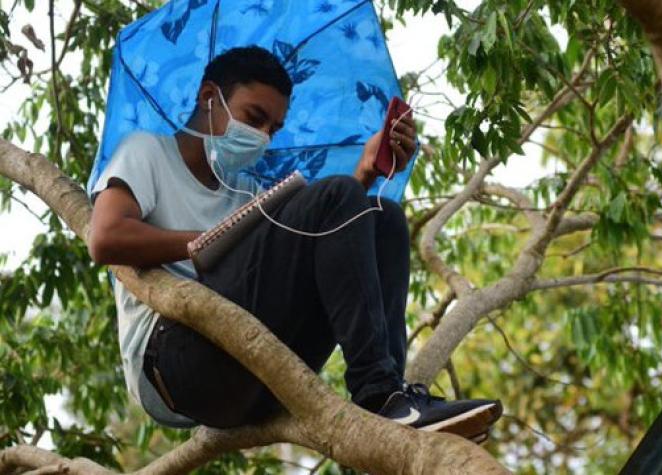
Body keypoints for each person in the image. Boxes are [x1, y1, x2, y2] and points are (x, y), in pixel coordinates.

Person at [87, 45, 502, 442]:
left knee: (382, 215)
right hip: (180, 367)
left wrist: (365, 174)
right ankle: (378, 395)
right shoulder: (148, 152)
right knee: (337, 196)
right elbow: (105, 238)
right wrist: (204, 242)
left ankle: (394, 393)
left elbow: (307, 247)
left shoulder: (247, 191)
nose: (263, 136)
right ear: (210, 97)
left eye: (273, 128)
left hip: (260, 373)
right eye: (254, 117)